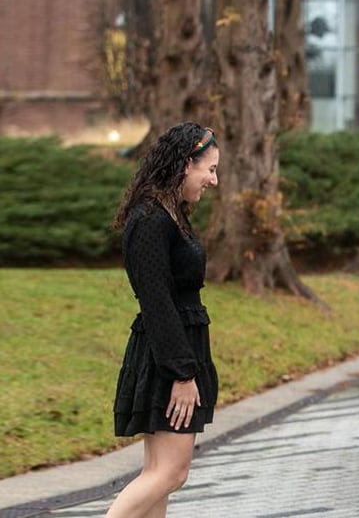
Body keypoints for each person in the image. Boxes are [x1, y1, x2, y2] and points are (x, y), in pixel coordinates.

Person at [105, 122, 220, 517]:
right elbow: (156, 301)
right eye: (210, 169)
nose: (214, 180)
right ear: (187, 164)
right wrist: (182, 375)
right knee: (171, 472)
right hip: (168, 359)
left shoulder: (169, 214)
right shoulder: (152, 218)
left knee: (160, 475)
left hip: (175, 352)